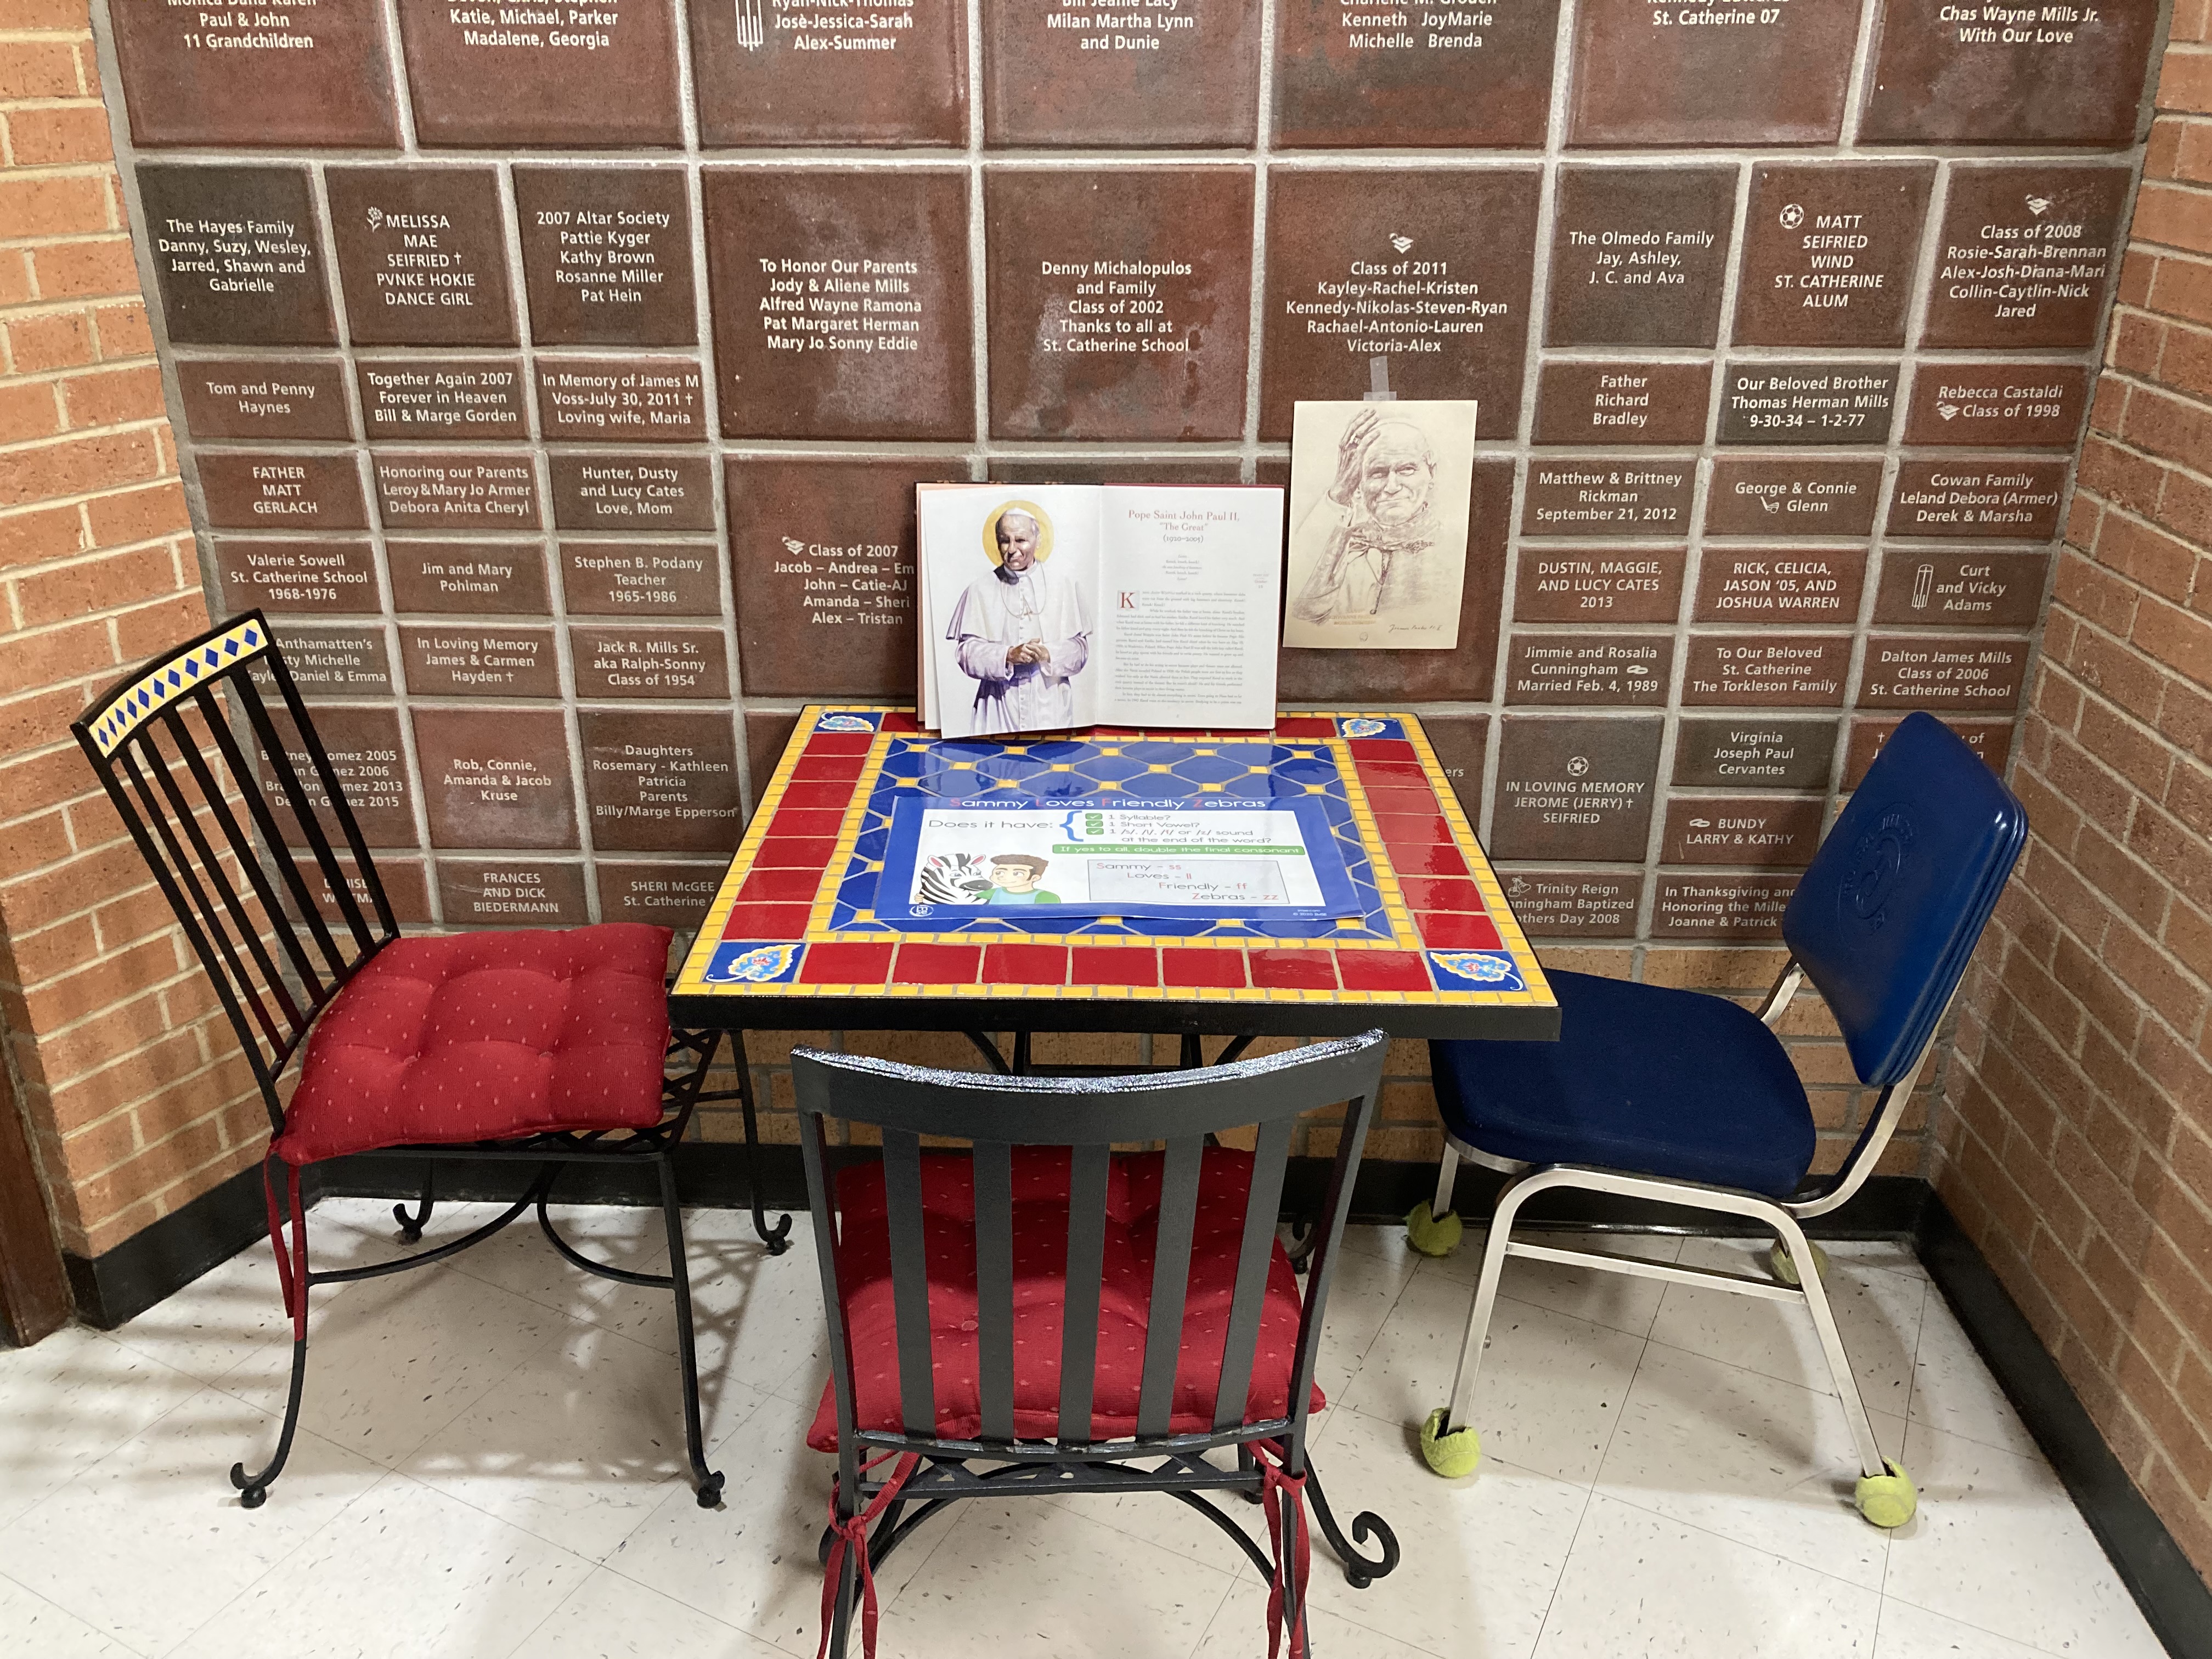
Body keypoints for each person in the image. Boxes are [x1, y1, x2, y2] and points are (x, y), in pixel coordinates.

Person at [1290, 408, 1442, 625]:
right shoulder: (1340, 548)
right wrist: (1339, 493)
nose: (1392, 487)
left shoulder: (1450, 547)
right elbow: (1296, 612)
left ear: (1431, 475)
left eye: (1407, 470)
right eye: (1377, 473)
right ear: (1359, 484)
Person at [947, 505, 1091, 733]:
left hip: (1050, 704)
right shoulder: (980, 589)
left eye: (1021, 540)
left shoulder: (1063, 585)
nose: (1012, 549)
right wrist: (1007, 656)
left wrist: (1047, 653)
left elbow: (1080, 651)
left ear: (1038, 540)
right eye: (1005, 540)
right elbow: (966, 653)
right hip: (997, 706)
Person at [982, 853, 1058, 904]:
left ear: (1035, 878)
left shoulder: (1046, 896)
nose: (1006, 877)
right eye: (999, 873)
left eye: (1017, 873)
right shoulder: (992, 893)